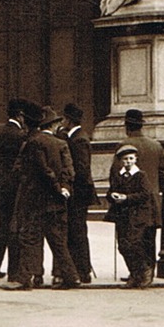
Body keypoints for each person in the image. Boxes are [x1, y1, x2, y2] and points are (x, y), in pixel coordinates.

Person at [9, 106, 80, 291]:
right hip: (58, 202)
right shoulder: (62, 144)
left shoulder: (33, 142)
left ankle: (25, 278)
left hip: (37, 200)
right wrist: (64, 188)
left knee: (30, 239)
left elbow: (43, 170)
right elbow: (70, 171)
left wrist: (55, 187)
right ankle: (71, 277)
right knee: (58, 242)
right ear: (54, 125)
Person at [110, 108, 164, 286]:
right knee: (148, 239)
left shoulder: (123, 146)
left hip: (128, 204)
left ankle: (138, 272)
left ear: (127, 126)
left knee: (127, 240)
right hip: (151, 203)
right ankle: (146, 273)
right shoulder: (155, 145)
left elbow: (114, 174)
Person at [0, 101, 30, 280]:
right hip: (15, 188)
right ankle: (14, 270)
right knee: (14, 228)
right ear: (20, 115)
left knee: (2, 226)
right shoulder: (21, 136)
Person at [105, 145, 154, 288]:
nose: (128, 162)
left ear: (136, 159)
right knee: (123, 245)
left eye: (131, 158)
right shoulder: (118, 175)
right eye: (125, 159)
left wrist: (127, 198)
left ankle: (144, 271)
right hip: (122, 215)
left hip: (137, 215)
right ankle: (134, 273)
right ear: (121, 161)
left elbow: (145, 194)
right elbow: (111, 191)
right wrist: (112, 195)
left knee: (134, 243)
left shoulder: (140, 175)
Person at [59, 103, 96, 283]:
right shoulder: (74, 137)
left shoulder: (80, 139)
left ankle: (83, 270)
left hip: (79, 194)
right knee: (75, 231)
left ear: (69, 120)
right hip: (77, 193)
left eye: (64, 118)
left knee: (78, 232)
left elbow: (81, 170)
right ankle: (80, 268)